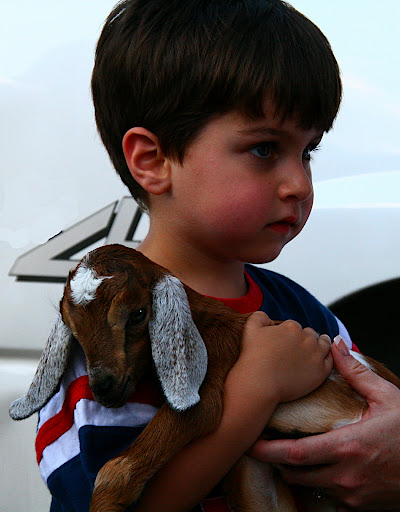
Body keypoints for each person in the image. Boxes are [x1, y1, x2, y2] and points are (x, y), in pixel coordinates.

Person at [35, 0, 400, 511]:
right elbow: (105, 502)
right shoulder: (107, 334)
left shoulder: (303, 312)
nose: (299, 184)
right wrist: (255, 391)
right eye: (265, 149)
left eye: (307, 152)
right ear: (153, 161)